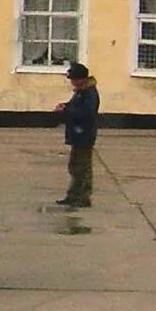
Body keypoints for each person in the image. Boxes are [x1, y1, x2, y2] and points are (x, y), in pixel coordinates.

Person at [58, 61, 100, 207]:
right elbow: (75, 107)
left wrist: (66, 111)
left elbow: (86, 113)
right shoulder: (81, 92)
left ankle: (83, 197)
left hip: (84, 134)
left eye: (73, 79)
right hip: (78, 134)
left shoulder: (89, 93)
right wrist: (66, 106)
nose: (72, 83)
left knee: (82, 168)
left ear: (81, 79)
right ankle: (73, 195)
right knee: (75, 166)